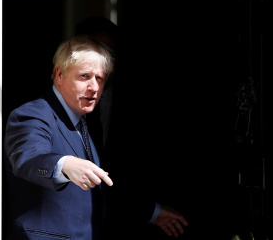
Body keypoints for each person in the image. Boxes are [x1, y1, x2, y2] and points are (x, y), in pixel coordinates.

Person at [74, 16, 189, 238]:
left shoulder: (138, 103)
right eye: (93, 51)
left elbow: (137, 169)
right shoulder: (56, 105)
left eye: (108, 52)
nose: (101, 60)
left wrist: (148, 210)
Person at [3, 35, 115, 239]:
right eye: (84, 76)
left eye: (99, 78)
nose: (94, 87)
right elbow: (28, 158)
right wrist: (63, 165)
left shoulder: (88, 121)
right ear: (60, 74)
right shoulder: (33, 114)